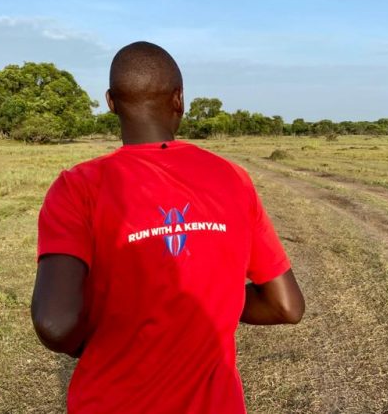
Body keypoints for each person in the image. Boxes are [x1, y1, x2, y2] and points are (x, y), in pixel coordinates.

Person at [31, 41, 305, 413]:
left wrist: (101, 334)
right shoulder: (232, 179)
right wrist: (214, 304)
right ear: (179, 99)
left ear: (111, 102)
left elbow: (56, 323)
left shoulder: (78, 187)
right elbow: (286, 306)